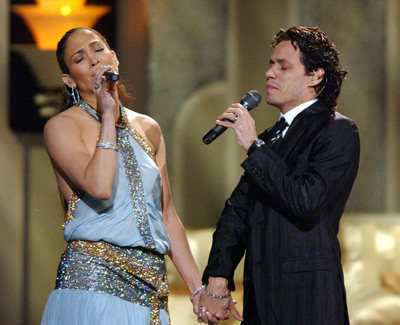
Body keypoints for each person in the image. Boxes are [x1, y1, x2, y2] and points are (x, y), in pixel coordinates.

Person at [196, 26, 360, 324]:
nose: (270, 73)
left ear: (315, 75)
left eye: (283, 66)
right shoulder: (271, 138)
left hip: (308, 300)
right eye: (271, 64)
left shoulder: (337, 130)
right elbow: (237, 212)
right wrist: (218, 278)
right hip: (261, 297)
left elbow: (306, 199)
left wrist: (254, 147)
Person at [41, 27, 204, 325]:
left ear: (114, 58)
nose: (93, 60)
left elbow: (167, 215)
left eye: (98, 49)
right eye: (80, 58)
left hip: (150, 289)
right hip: (93, 285)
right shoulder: (61, 127)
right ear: (69, 79)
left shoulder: (149, 128)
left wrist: (198, 291)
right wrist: (107, 115)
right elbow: (100, 187)